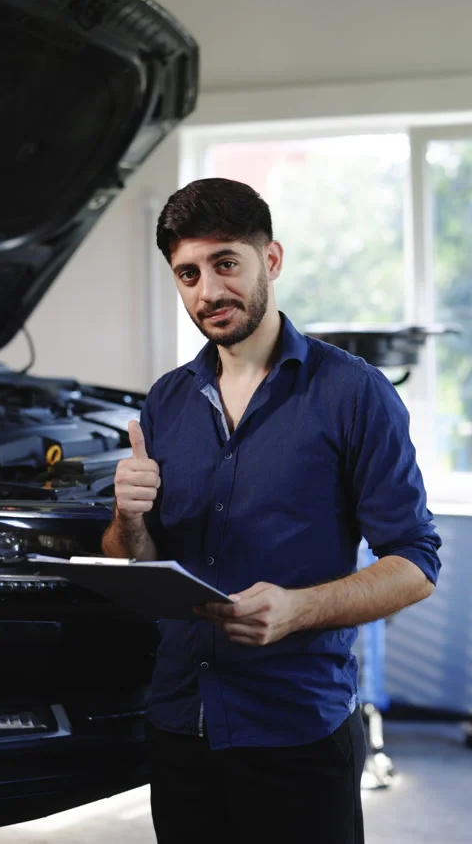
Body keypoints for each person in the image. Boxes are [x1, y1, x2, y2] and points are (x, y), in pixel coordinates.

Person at [102, 177, 442, 844]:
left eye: (227, 263)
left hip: (296, 734)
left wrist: (297, 609)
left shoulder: (353, 393)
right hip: (180, 726)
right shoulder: (166, 401)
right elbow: (136, 563)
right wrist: (129, 518)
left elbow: (416, 563)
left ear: (272, 260)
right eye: (188, 273)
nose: (208, 291)